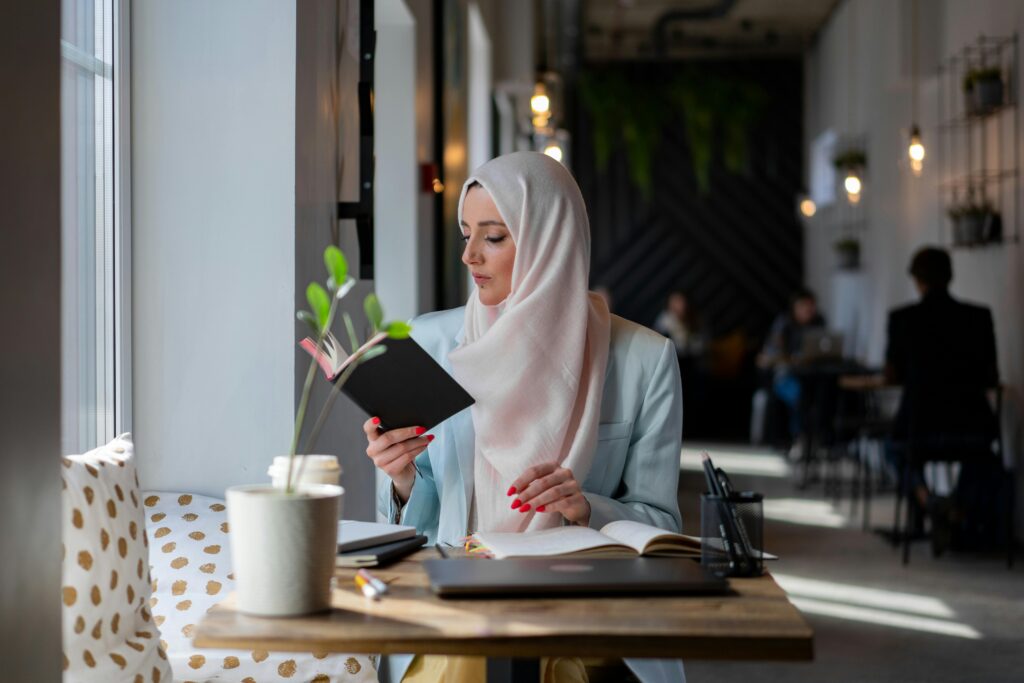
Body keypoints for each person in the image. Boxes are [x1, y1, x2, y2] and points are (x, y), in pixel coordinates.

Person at [365, 152, 685, 683]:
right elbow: (419, 531)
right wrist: (400, 481)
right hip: (453, 611)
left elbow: (664, 528)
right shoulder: (430, 343)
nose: (469, 256)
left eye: (493, 237)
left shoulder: (643, 361)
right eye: (465, 233)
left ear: (550, 241)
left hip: (583, 612)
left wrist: (586, 510)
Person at [885, 246, 1000, 549]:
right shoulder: (978, 318)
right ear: (950, 277)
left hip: (919, 429)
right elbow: (991, 377)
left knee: (894, 450)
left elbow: (892, 375)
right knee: (986, 458)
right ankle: (957, 510)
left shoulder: (903, 319)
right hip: (972, 429)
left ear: (918, 280)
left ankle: (929, 501)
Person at [756, 288, 826, 445]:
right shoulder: (784, 324)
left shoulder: (819, 322)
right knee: (800, 395)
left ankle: (820, 439)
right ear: (795, 307)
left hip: (812, 375)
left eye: (811, 305)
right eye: (805, 306)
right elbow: (770, 354)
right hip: (785, 376)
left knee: (823, 392)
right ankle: (800, 438)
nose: (809, 310)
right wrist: (790, 359)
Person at [654, 291, 707, 435]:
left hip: (691, 364)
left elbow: (700, 346)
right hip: (671, 363)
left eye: (680, 302)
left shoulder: (695, 321)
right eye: (674, 302)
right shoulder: (665, 321)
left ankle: (691, 429)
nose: (678, 306)